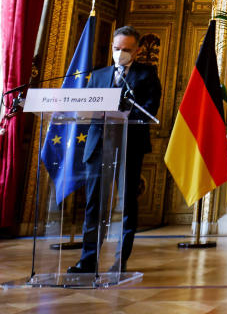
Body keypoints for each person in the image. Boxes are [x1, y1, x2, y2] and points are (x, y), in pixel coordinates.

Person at [69, 26, 161, 274]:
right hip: (99, 145)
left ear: (138, 50)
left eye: (126, 50)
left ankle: (120, 261)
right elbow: (86, 107)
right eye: (116, 49)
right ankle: (88, 260)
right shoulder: (98, 75)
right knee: (93, 204)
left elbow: (150, 109)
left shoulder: (147, 74)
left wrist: (125, 113)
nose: (120, 54)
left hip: (129, 145)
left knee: (127, 204)